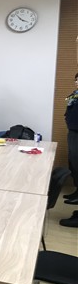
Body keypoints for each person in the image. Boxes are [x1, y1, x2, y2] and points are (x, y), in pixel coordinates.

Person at [63, 72, 78, 205]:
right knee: (73, 163)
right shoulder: (74, 95)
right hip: (72, 132)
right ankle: (76, 191)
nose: (77, 82)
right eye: (76, 80)